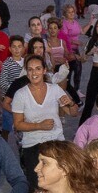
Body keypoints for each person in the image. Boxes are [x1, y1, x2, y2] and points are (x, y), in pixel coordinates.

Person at [12, 56, 74, 185]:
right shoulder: (20, 94)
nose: (34, 73)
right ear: (26, 72)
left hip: (56, 142)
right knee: (38, 185)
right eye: (30, 69)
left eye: (38, 69)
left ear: (44, 70)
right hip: (32, 145)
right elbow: (18, 125)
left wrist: (71, 103)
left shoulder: (55, 89)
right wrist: (39, 125)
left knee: (61, 184)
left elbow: (73, 113)